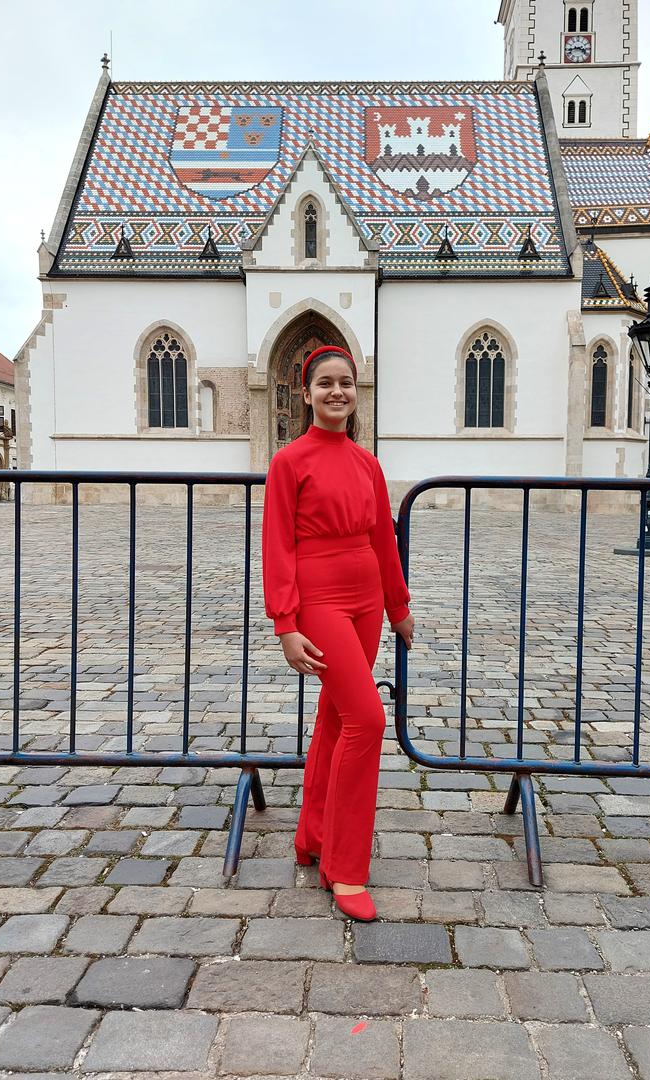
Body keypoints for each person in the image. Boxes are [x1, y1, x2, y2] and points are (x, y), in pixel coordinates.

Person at [261, 344, 415, 921]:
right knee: (368, 720)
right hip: (320, 598)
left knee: (335, 718)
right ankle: (345, 868)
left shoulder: (367, 464)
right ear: (306, 394)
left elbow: (382, 540)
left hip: (366, 598)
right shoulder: (289, 462)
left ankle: (313, 836)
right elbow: (277, 544)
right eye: (324, 383)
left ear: (356, 391)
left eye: (345, 382)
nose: (336, 391)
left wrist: (397, 605)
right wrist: (285, 623)